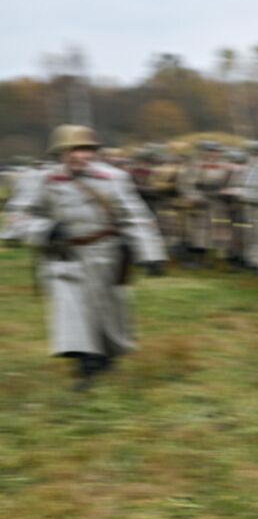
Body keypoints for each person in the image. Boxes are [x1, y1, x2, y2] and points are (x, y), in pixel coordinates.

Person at [1, 125, 166, 389]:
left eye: (85, 149)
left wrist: (152, 254)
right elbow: (16, 217)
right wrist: (46, 229)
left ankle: (106, 354)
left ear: (94, 152)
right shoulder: (41, 180)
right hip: (64, 255)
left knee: (109, 311)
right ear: (60, 153)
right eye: (72, 150)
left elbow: (135, 217)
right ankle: (86, 364)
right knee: (73, 308)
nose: (79, 156)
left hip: (107, 254)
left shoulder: (114, 178)